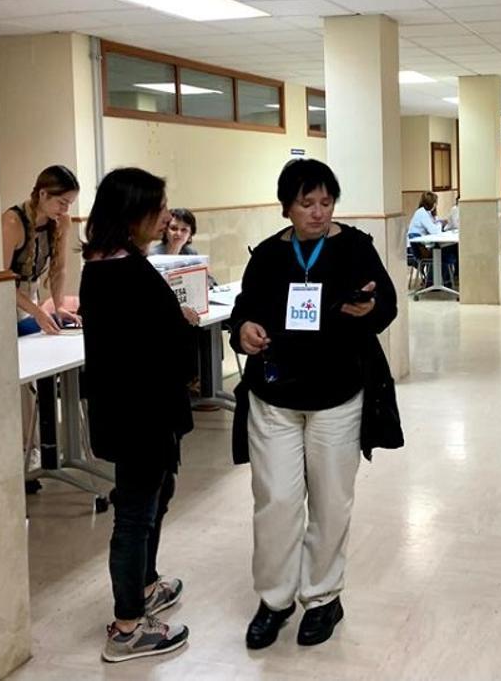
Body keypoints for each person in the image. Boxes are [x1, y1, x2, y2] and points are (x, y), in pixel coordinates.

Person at [230, 159, 397, 649]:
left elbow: (385, 303)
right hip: (275, 393)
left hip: (337, 394)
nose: (319, 213)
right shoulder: (266, 255)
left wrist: (369, 309)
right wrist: (243, 330)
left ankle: (323, 597)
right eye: (307, 204)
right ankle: (275, 599)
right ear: (287, 207)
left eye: (326, 202)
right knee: (276, 499)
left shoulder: (356, 248)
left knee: (329, 499)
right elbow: (245, 309)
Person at [81, 168, 200, 663]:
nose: (167, 215)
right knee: (133, 513)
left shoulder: (118, 260)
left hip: (138, 409)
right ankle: (128, 625)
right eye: (159, 207)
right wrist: (183, 323)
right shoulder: (119, 271)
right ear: (132, 213)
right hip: (138, 414)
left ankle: (145, 583)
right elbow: (148, 344)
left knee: (157, 492)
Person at [2, 165, 81, 336]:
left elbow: (58, 269)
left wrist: (59, 306)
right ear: (43, 194)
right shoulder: (12, 223)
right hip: (6, 303)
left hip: (31, 300)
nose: (65, 210)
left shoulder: (62, 221)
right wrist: (38, 312)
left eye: (69, 204)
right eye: (62, 203)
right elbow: (3, 282)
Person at [150, 207, 218, 288]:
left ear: (190, 234)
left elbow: (211, 282)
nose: (178, 233)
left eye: (184, 230)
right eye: (174, 228)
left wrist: (205, 278)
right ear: (165, 231)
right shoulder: (153, 256)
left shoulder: (191, 254)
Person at [406, 191, 455, 285]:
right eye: (435, 202)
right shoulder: (422, 213)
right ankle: (435, 282)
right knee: (443, 252)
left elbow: (434, 226)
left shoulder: (427, 213)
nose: (436, 204)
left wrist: (437, 219)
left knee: (445, 250)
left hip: (424, 246)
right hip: (417, 250)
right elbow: (435, 231)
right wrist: (440, 223)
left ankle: (442, 281)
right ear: (431, 203)